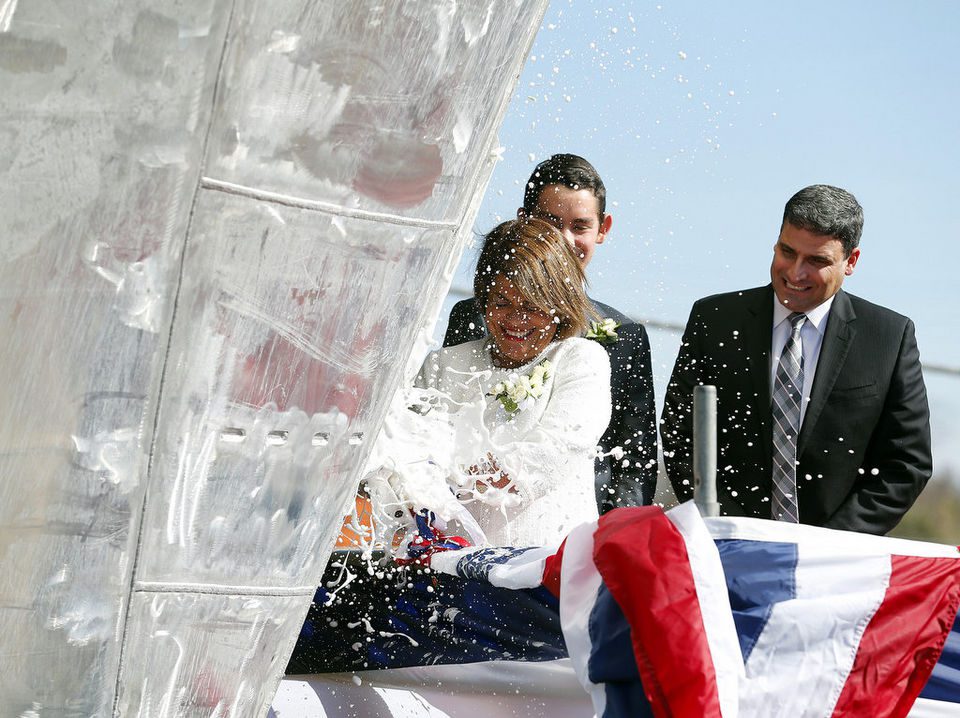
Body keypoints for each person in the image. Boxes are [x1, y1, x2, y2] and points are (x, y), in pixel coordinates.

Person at [660, 184, 932, 534]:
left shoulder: (888, 338)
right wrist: (729, 528)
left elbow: (906, 465)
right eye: (787, 252)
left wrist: (829, 545)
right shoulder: (714, 320)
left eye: (817, 261)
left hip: (836, 561)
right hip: (724, 546)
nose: (795, 273)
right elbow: (681, 434)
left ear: (851, 261)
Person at [443, 154, 657, 513]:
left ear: (603, 229)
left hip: (578, 527)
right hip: (475, 507)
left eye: (580, 226)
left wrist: (613, 536)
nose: (563, 239)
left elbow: (634, 458)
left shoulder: (624, 336)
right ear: (523, 221)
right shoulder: (474, 316)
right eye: (550, 222)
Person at [417, 218, 611, 546]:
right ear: (483, 298)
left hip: (545, 569)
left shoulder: (580, 359)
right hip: (448, 565)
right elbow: (411, 457)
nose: (515, 320)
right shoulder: (443, 364)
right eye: (501, 302)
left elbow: (554, 453)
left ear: (560, 306)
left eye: (532, 307)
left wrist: (454, 473)